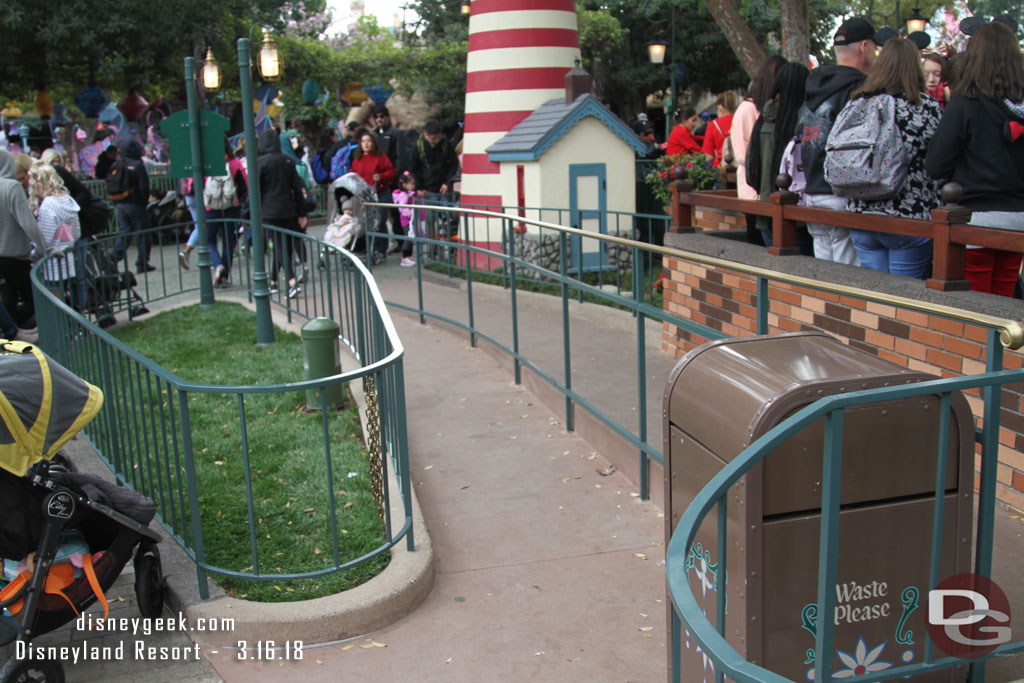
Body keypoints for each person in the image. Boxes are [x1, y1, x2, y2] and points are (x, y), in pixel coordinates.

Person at [925, 21, 1024, 297]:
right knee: (1005, 301)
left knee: (975, 303)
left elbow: (935, 164)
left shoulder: (965, 100)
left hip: (976, 218)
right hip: (1019, 218)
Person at [844, 38, 943, 279]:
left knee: (875, 296)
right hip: (910, 215)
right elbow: (939, 157)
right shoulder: (925, 106)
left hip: (862, 212)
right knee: (905, 299)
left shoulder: (858, 102)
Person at [797, 17, 878, 265]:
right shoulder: (862, 89)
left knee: (823, 274)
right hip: (843, 192)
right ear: (864, 46)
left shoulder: (813, 86)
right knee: (846, 279)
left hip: (811, 189)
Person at [745, 62, 810, 247]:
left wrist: (765, 191)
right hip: (799, 216)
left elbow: (751, 171)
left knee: (775, 273)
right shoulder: (803, 123)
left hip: (766, 212)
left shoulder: (762, 122)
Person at [732, 55, 787, 245]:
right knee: (758, 243)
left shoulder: (771, 107)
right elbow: (742, 154)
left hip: (772, 188)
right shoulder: (747, 109)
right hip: (754, 189)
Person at [256, 128, 308, 298]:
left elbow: (256, 190)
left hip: (269, 211)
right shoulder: (288, 161)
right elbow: (298, 187)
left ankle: (291, 282)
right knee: (284, 246)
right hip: (289, 209)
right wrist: (301, 212)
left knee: (279, 246)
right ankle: (273, 281)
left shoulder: (261, 163)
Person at [0, 148, 47, 326]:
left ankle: (11, 334)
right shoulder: (12, 187)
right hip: (15, 254)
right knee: (33, 297)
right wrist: (42, 247)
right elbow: (27, 223)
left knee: (8, 297)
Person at [28, 161, 81, 296]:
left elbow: (45, 238)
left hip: (52, 263)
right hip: (69, 257)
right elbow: (76, 232)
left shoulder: (47, 205)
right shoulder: (67, 200)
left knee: (55, 299)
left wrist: (34, 255)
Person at [349, 131, 395, 266]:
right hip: (364, 195)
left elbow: (391, 171)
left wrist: (381, 177)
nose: (366, 144)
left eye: (368, 141)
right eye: (363, 141)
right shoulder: (358, 159)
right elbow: (352, 173)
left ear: (373, 143)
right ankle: (370, 249)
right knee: (367, 223)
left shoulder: (381, 157)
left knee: (380, 223)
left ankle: (381, 250)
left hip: (380, 193)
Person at [110, 139, 154, 273]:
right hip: (136, 204)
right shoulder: (138, 165)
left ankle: (114, 256)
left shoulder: (116, 165)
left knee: (125, 232)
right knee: (143, 233)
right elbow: (143, 186)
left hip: (120, 203)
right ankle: (142, 263)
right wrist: (144, 201)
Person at [703, 92, 739, 168]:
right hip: (740, 166)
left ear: (720, 108)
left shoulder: (713, 125)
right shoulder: (741, 121)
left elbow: (709, 156)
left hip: (721, 168)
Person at [392, 171, 418, 267]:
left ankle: (409, 255)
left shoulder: (407, 193)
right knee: (408, 237)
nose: (414, 186)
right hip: (406, 219)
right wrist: (411, 213)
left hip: (409, 219)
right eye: (412, 184)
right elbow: (402, 208)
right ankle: (405, 257)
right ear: (404, 184)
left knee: (410, 237)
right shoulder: (403, 195)